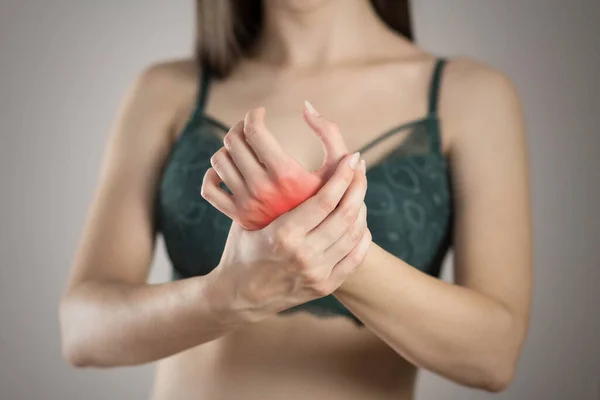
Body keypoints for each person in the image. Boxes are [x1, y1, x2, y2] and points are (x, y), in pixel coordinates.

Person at [59, 1, 533, 399]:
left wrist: (322, 239)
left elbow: (492, 356)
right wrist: (224, 296)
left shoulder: (470, 96)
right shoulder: (165, 91)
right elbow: (82, 330)